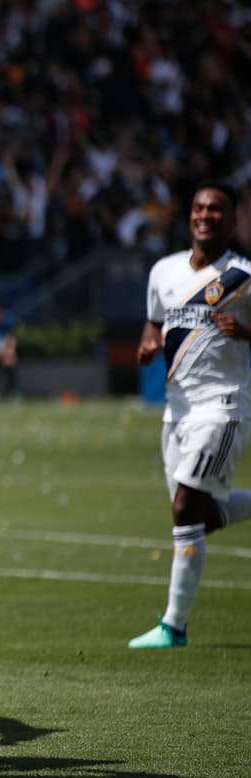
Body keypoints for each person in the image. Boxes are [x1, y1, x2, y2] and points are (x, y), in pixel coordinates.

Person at [129, 182, 251, 649]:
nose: (206, 215)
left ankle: (173, 627)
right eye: (199, 207)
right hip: (176, 411)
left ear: (233, 219)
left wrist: (245, 331)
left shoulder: (242, 275)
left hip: (223, 405)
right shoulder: (164, 270)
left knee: (185, 509)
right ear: (190, 216)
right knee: (204, 515)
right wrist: (148, 343)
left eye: (216, 209)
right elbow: (155, 322)